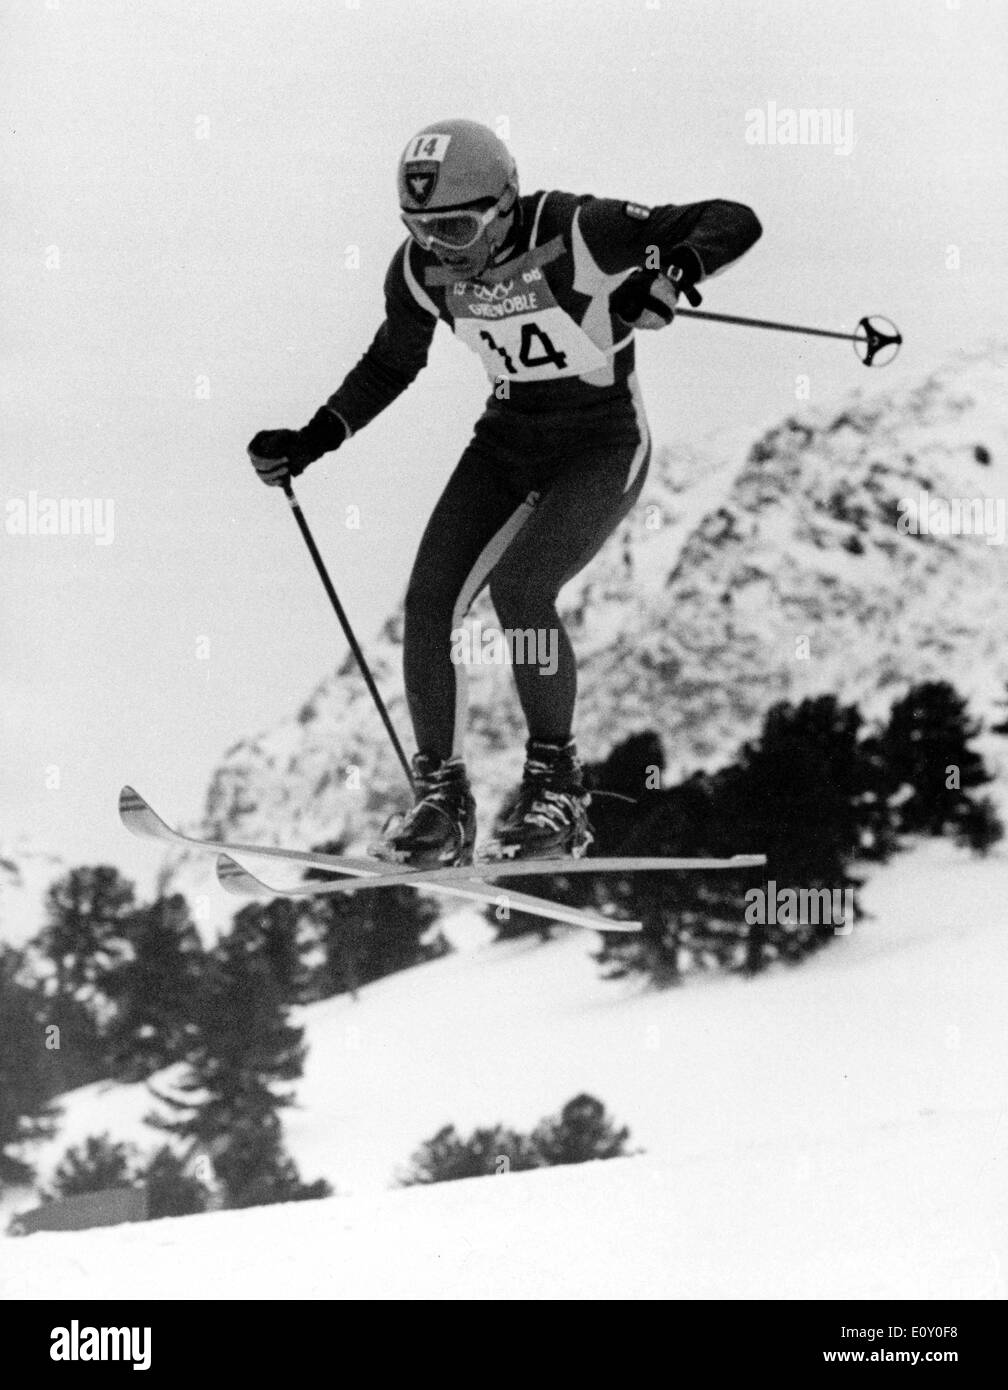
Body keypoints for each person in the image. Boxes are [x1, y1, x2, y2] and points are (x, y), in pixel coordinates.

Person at [248, 118, 761, 868]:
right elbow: (393, 361)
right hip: (510, 439)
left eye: (456, 226)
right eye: (420, 230)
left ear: (505, 202)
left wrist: (672, 273)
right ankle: (442, 804)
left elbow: (732, 220)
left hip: (602, 441)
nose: (441, 248)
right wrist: (312, 438)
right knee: (429, 604)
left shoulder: (578, 229)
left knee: (522, 590)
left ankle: (557, 788)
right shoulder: (422, 271)